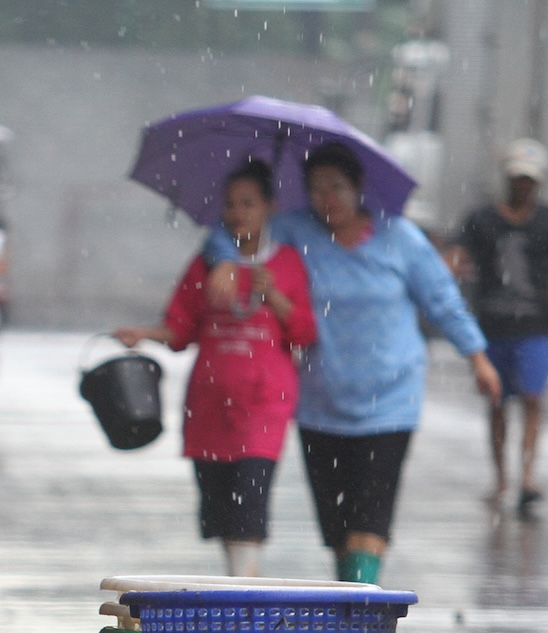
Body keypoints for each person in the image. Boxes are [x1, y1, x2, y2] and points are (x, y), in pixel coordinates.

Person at [205, 141, 502, 584]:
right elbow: (232, 230)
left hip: (390, 402)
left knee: (371, 516)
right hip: (321, 401)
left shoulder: (398, 237)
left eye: (337, 187)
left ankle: (362, 611)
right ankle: (351, 603)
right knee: (337, 526)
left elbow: (443, 301)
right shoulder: (293, 233)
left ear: (359, 187)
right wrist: (226, 262)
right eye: (317, 189)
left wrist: (478, 358)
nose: (328, 199)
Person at [115, 160, 316, 577]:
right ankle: (240, 585)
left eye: (248, 204)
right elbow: (181, 327)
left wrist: (273, 295)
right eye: (230, 204)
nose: (238, 213)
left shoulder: (289, 263)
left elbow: (303, 333)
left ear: (269, 208)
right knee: (222, 509)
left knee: (250, 500)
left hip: (263, 406)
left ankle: (247, 597)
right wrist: (146, 334)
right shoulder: (205, 265)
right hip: (210, 406)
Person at [448, 138, 548, 516]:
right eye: (518, 178)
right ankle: (501, 476)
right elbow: (457, 251)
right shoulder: (481, 219)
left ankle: (526, 475)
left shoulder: (545, 220)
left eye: (530, 180)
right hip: (491, 327)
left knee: (533, 398)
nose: (523, 186)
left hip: (536, 326)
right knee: (497, 403)